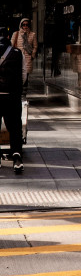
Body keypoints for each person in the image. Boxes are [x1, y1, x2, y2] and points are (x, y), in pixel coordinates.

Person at [0, 27, 24, 173]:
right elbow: (24, 74)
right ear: (9, 36)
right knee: (14, 127)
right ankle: (16, 156)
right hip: (12, 96)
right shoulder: (17, 53)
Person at [11, 18, 37, 93]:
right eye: (24, 25)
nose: (25, 26)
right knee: (18, 76)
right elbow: (12, 46)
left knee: (26, 77)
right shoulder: (16, 34)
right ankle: (18, 92)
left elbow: (35, 46)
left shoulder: (32, 34)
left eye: (27, 25)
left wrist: (32, 55)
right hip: (18, 58)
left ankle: (24, 94)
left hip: (28, 58)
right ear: (21, 25)